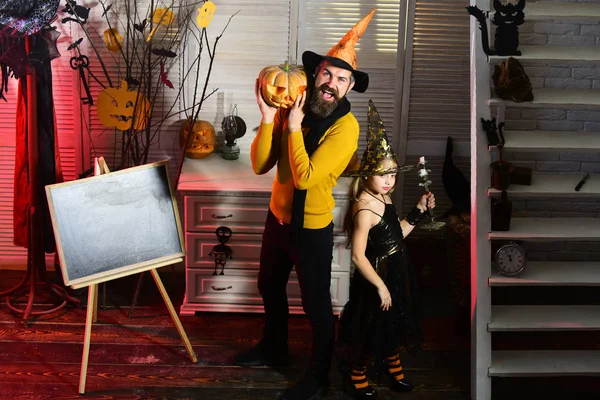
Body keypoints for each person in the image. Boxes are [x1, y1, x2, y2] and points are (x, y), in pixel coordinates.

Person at [233, 9, 376, 400]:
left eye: (342, 79)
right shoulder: (292, 106)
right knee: (269, 286)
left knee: (315, 306)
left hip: (310, 229)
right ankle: (274, 348)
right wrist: (268, 120)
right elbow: (263, 165)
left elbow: (307, 177)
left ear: (349, 87)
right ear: (316, 74)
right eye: (328, 74)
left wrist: (293, 129)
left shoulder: (346, 127)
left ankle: (318, 375)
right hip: (277, 218)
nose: (332, 84)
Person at [336, 100, 434, 399]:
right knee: (370, 327)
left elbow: (397, 235)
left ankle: (392, 361)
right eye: (383, 175)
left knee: (392, 323)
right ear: (367, 174)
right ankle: (356, 372)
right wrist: (379, 286)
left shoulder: (385, 198)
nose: (390, 181)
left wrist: (417, 212)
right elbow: (357, 256)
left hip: (395, 272)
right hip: (375, 277)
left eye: (393, 174)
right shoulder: (365, 207)